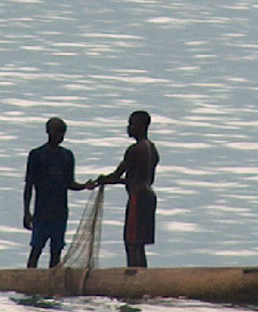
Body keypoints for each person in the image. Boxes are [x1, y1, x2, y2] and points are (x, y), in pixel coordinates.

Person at [24, 117, 96, 268]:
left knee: (56, 253)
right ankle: (30, 283)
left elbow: (69, 183)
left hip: (60, 213)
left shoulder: (67, 156)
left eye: (63, 133)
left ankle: (52, 285)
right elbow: (29, 186)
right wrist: (27, 212)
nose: (60, 136)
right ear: (48, 132)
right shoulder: (37, 155)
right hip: (41, 213)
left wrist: (84, 186)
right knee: (36, 250)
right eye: (58, 132)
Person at [97, 110, 159, 268]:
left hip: (137, 198)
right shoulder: (152, 148)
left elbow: (117, 174)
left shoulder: (135, 149)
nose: (128, 128)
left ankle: (133, 276)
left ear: (141, 126)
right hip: (149, 196)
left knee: (131, 242)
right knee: (140, 243)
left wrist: (103, 180)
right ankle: (143, 275)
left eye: (132, 124)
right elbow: (141, 177)